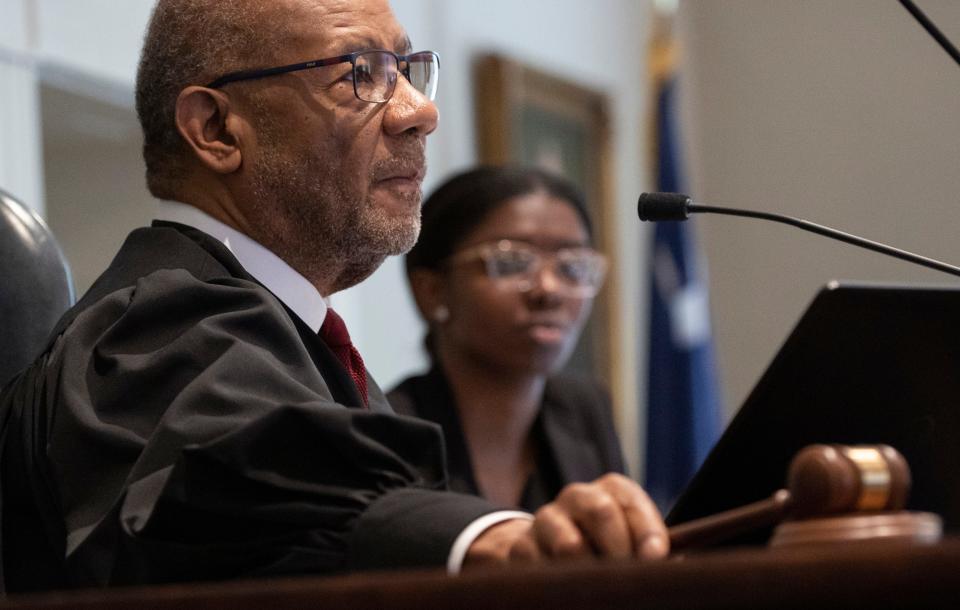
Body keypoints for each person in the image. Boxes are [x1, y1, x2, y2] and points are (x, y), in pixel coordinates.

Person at [0, 0, 668, 591]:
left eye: (407, 70)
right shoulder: (155, 326)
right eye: (361, 73)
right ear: (217, 128)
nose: (420, 111)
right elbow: (245, 480)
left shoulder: (293, 339)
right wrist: (496, 539)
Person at [389, 166, 623, 511]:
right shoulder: (389, 431)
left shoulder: (583, 410)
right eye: (511, 261)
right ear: (433, 291)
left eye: (572, 265)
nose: (549, 289)